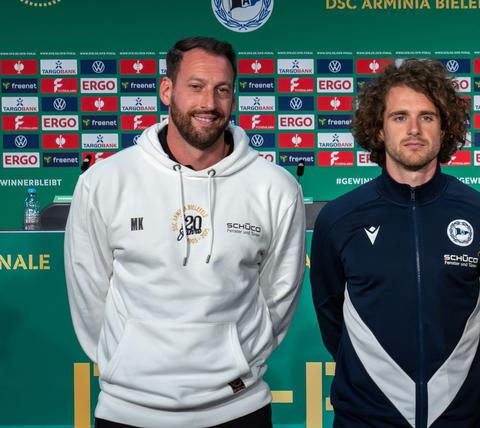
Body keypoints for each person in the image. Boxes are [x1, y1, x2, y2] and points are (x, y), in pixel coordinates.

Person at [65, 37, 306, 427]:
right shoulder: (105, 182)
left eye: (222, 90)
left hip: (238, 408)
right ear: (167, 90)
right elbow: (90, 295)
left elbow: (279, 294)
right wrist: (128, 363)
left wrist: (239, 358)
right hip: (127, 410)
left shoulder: (274, 187)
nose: (209, 103)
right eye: (195, 87)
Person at [310, 59, 480, 427]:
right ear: (379, 128)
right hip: (364, 419)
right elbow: (331, 319)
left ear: (444, 127)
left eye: (428, 117)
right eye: (400, 116)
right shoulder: (339, 218)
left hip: (459, 418)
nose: (414, 129)